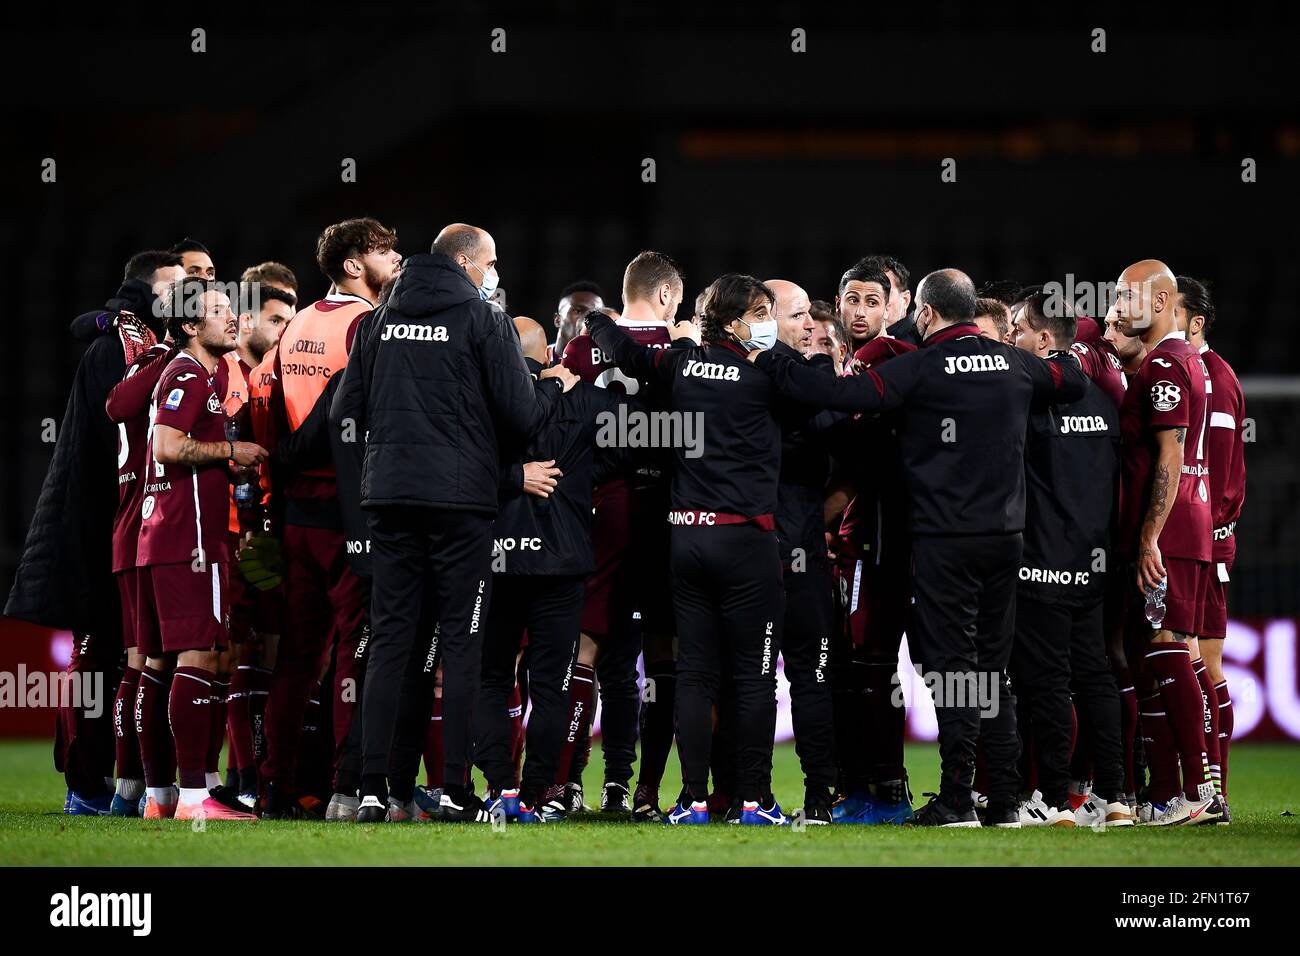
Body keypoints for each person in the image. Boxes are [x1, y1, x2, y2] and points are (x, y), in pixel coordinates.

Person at [753, 268, 1087, 828]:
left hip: (943, 542)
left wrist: (783, 358)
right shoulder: (1016, 363)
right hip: (1007, 540)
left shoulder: (921, 366)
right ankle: (1002, 800)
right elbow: (1070, 382)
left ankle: (958, 797)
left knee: (955, 668)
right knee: (992, 668)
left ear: (925, 314)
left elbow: (838, 394)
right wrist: (1076, 358)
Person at [339, 222, 577, 823]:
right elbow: (522, 416)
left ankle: (371, 789)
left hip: (389, 502)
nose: (493, 273)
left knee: (391, 640)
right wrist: (550, 389)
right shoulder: (481, 319)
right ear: (469, 263)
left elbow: (346, 412)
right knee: (462, 643)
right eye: (491, 262)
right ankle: (452, 789)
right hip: (462, 507)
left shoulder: (376, 321)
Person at [588, 273, 814, 826]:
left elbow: (624, 351)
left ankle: (690, 800)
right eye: (760, 311)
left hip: (685, 539)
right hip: (746, 542)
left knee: (694, 675)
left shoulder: (681, 365)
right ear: (736, 323)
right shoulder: (767, 376)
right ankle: (755, 801)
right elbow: (818, 400)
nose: (767, 320)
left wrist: (597, 322)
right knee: (756, 677)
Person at [6, 250, 184, 815]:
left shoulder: (147, 347)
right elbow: (118, 442)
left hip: (133, 526)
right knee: (101, 654)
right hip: (102, 526)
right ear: (148, 292)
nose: (190, 292)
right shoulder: (116, 350)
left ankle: (123, 783)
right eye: (179, 284)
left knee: (130, 657)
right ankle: (86, 783)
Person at [260, 218, 400, 819]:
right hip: (348, 515)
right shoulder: (367, 325)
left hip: (297, 515)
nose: (394, 259)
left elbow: (274, 409)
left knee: (296, 657)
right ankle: (348, 790)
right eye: (382, 250)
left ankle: (274, 789)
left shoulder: (295, 326)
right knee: (356, 652)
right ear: (351, 264)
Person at [476, 317, 640, 822]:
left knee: (491, 678)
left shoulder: (483, 397)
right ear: (547, 352)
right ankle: (538, 792)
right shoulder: (586, 400)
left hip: (499, 557)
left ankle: (499, 790)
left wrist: (509, 477)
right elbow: (643, 434)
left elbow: (457, 469)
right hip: (562, 562)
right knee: (552, 685)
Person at [136, 277, 267, 821]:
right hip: (187, 537)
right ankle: (194, 798)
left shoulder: (201, 375)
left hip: (169, 536)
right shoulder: (188, 374)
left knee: (172, 661)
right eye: (217, 311)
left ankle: (168, 796)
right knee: (200, 657)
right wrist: (231, 449)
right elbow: (166, 446)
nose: (232, 317)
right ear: (190, 326)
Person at [561, 252, 686, 820]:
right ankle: (643, 793)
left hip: (599, 506)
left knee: (586, 645)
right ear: (664, 296)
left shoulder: (581, 348)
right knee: (662, 649)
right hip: (669, 507)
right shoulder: (685, 351)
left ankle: (564, 784)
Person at [1009, 292, 1132, 828]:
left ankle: (1055, 799)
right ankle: (1116, 796)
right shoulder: (1105, 406)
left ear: (1043, 340)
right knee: (1097, 677)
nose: (1010, 340)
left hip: (1040, 563)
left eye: (1017, 330)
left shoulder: (1031, 403)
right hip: (1093, 563)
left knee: (1049, 684)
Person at [1113, 260, 1222, 826]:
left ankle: (1196, 791)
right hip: (1190, 522)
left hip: (1172, 527)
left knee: (1166, 645)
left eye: (1126, 297)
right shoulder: (1184, 360)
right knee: (1158, 651)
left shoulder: (1163, 365)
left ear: (1159, 304)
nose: (1117, 306)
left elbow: (1170, 453)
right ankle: (1170, 794)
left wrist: (1149, 534)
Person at [765, 278, 839, 823]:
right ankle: (814, 799)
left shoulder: (739, 384)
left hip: (773, 552)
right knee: (796, 679)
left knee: (759, 679)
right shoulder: (818, 389)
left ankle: (745, 796)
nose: (810, 324)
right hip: (791, 552)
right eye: (798, 316)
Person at [1180, 276, 1244, 822]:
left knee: (1203, 667)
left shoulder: (1215, 379)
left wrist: (1213, 529)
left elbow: (1220, 473)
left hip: (1207, 543)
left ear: (1195, 322)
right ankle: (1207, 789)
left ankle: (1212, 788)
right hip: (1199, 538)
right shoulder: (1194, 373)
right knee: (1195, 664)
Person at [551, 280, 604, 364]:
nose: (589, 319)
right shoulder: (534, 362)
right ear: (558, 320)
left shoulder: (609, 364)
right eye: (578, 311)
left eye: (596, 313)